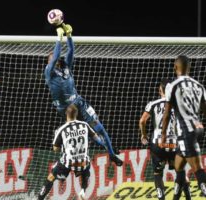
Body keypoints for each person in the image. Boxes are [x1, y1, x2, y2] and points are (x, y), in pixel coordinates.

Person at [44, 23, 123, 166]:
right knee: (86, 132)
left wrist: (68, 36)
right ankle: (104, 148)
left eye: (55, 59)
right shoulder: (49, 73)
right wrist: (58, 38)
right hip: (66, 108)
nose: (55, 59)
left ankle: (111, 154)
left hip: (79, 102)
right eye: (51, 59)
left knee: (99, 128)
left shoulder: (65, 68)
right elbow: (55, 56)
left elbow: (71, 51)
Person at [38, 104, 109, 200]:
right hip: (83, 162)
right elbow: (96, 138)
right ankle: (83, 191)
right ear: (77, 114)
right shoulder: (85, 125)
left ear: (66, 113)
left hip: (68, 162)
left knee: (51, 177)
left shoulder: (62, 129)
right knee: (86, 170)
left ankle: (40, 198)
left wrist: (64, 145)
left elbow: (55, 149)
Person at [161, 55, 206, 199]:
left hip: (186, 131)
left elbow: (167, 114)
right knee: (178, 166)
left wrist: (163, 134)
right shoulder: (199, 86)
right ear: (189, 68)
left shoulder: (172, 86)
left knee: (198, 169)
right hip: (198, 128)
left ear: (175, 67)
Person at [139, 79, 191, 200]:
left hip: (158, 144)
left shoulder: (153, 103)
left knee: (158, 174)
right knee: (180, 172)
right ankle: (185, 197)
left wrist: (144, 135)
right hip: (174, 144)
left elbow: (142, 121)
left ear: (160, 91)